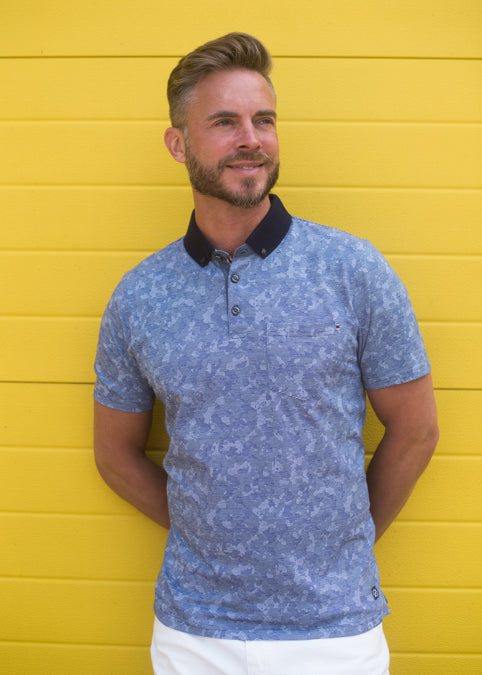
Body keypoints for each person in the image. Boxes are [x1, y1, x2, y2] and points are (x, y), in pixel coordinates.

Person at [93, 32, 439, 675]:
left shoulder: (353, 269)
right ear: (178, 143)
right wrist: (206, 535)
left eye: (265, 120)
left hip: (335, 633)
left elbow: (416, 431)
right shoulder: (140, 296)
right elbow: (114, 454)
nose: (251, 139)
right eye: (225, 122)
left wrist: (343, 547)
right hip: (193, 634)